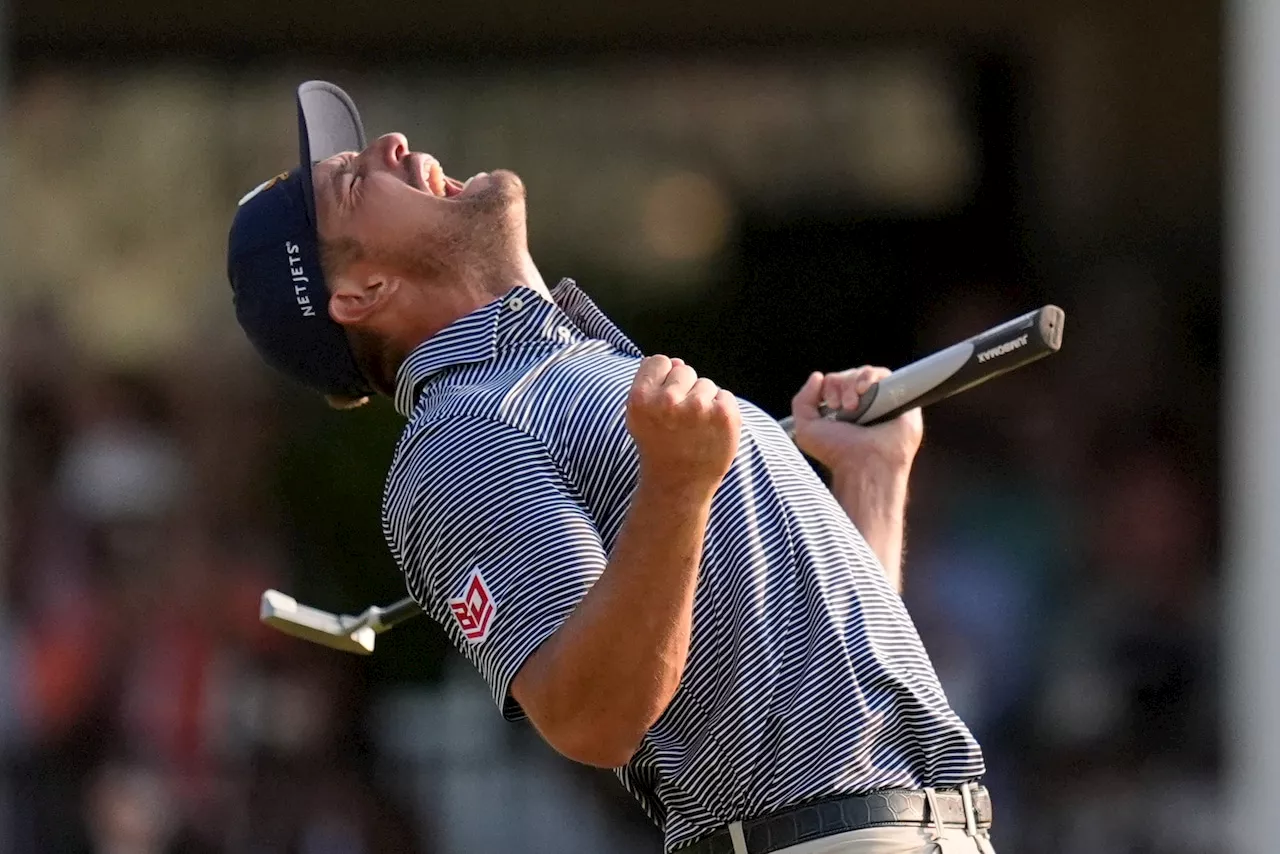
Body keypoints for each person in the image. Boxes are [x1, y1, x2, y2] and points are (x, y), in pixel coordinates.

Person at [226, 81, 996, 854]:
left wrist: (871, 479)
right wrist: (675, 487)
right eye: (357, 183)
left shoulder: (579, 375)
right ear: (363, 293)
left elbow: (825, 691)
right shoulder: (460, 436)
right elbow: (588, 719)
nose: (392, 146)